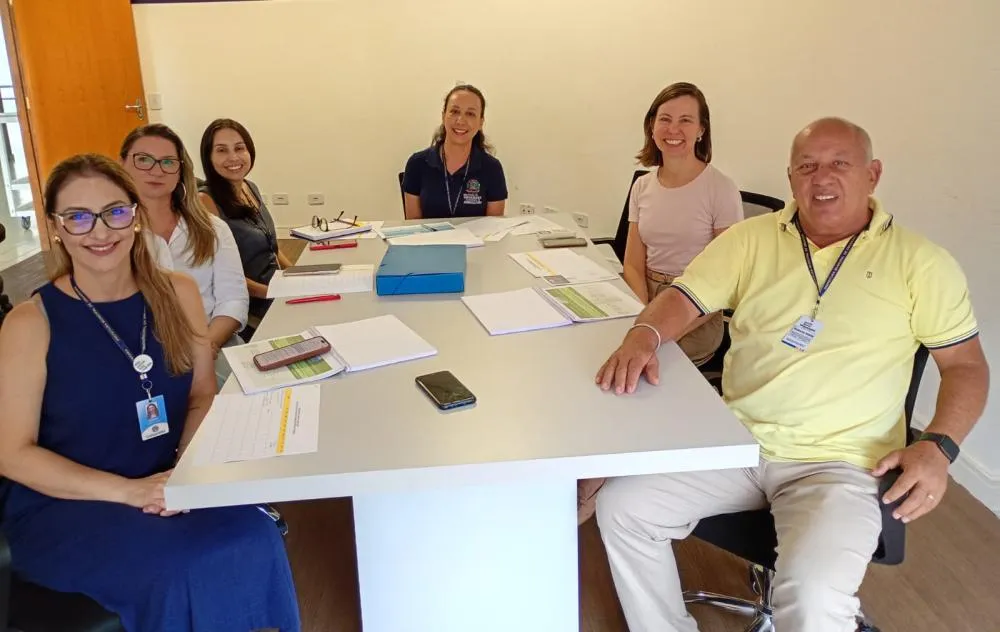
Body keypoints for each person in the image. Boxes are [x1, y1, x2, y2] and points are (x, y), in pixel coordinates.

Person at [594, 118, 989, 632]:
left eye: (839, 163)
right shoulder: (750, 239)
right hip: (737, 444)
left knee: (814, 597)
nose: (821, 177)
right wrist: (644, 334)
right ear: (790, 177)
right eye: (807, 166)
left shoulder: (922, 264)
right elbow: (685, 298)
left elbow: (965, 366)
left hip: (841, 462)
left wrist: (939, 446)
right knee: (623, 508)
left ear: (872, 174)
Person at [0, 154, 301, 632]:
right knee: (181, 567)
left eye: (115, 212)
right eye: (78, 217)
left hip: (167, 481)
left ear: (135, 216)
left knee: (255, 533)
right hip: (69, 503)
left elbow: (201, 395)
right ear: (56, 228)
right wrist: (131, 491)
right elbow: (12, 453)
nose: (100, 231)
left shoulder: (178, 293)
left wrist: (184, 472)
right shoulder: (31, 323)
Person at [577, 83, 745, 525]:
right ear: (651, 127)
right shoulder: (643, 186)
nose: (674, 129)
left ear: (702, 130)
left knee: (631, 373)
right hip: (644, 298)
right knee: (591, 357)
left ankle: (592, 486)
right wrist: (642, 319)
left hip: (698, 311)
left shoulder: (720, 189)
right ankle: (587, 460)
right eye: (664, 119)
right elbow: (633, 263)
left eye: (686, 120)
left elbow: (723, 285)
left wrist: (655, 332)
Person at [120, 124, 249, 385]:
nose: (157, 170)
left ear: (180, 170)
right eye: (143, 159)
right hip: (141, 357)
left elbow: (233, 299)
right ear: (122, 164)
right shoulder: (110, 235)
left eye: (168, 162)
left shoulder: (212, 228)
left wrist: (206, 347)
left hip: (214, 343)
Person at [198, 118, 292, 338]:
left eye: (239, 148)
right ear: (209, 157)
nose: (233, 157)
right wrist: (274, 292)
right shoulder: (205, 201)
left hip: (275, 287)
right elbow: (219, 273)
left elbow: (272, 247)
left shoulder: (250, 187)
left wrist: (297, 277)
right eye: (222, 150)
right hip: (250, 303)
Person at [402, 84, 508, 219]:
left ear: (481, 122)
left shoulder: (492, 168)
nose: (460, 121)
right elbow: (413, 226)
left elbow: (494, 228)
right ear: (443, 116)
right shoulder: (417, 164)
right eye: (455, 111)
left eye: (470, 114)